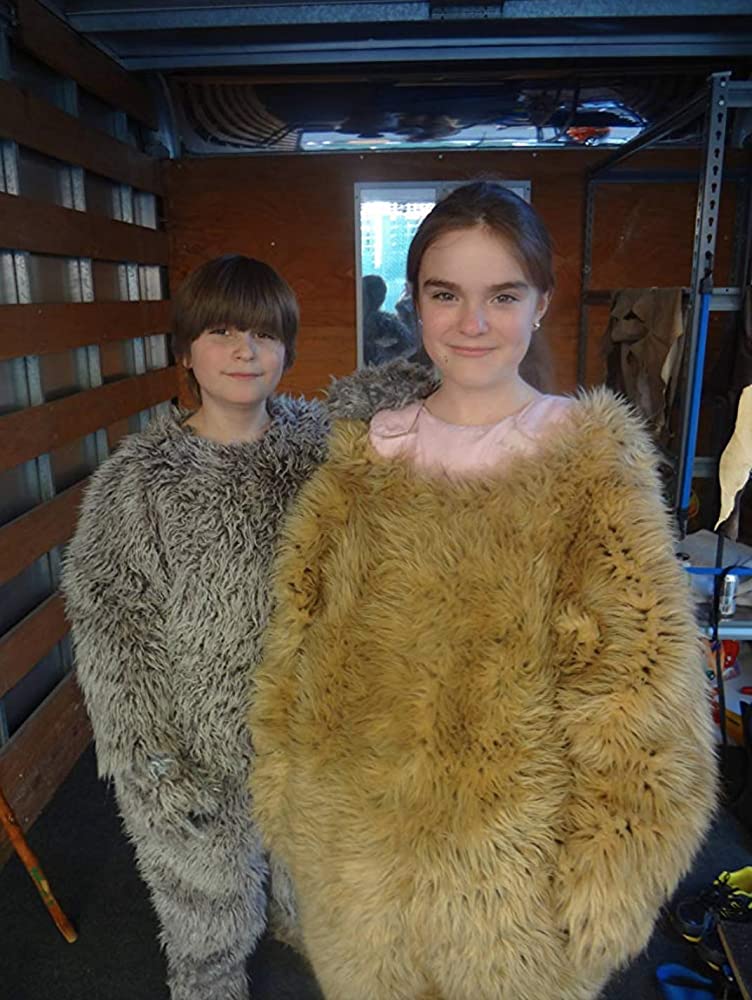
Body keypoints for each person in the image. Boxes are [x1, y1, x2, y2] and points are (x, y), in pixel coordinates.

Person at [249, 183, 718, 1000]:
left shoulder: (587, 464)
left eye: (502, 295)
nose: (472, 323)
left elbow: (639, 692)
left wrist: (610, 882)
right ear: (415, 302)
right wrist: (290, 804)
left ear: (541, 303)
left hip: (513, 884)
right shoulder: (369, 457)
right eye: (446, 295)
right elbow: (300, 637)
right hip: (357, 863)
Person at [61, 254, 436, 1000]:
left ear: (287, 349)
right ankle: (208, 980)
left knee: (317, 871)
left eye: (265, 335)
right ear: (186, 350)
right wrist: (150, 755)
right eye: (223, 332)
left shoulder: (321, 446)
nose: (245, 351)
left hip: (310, 722)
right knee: (205, 901)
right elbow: (112, 623)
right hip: (196, 737)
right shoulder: (139, 481)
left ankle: (298, 926)